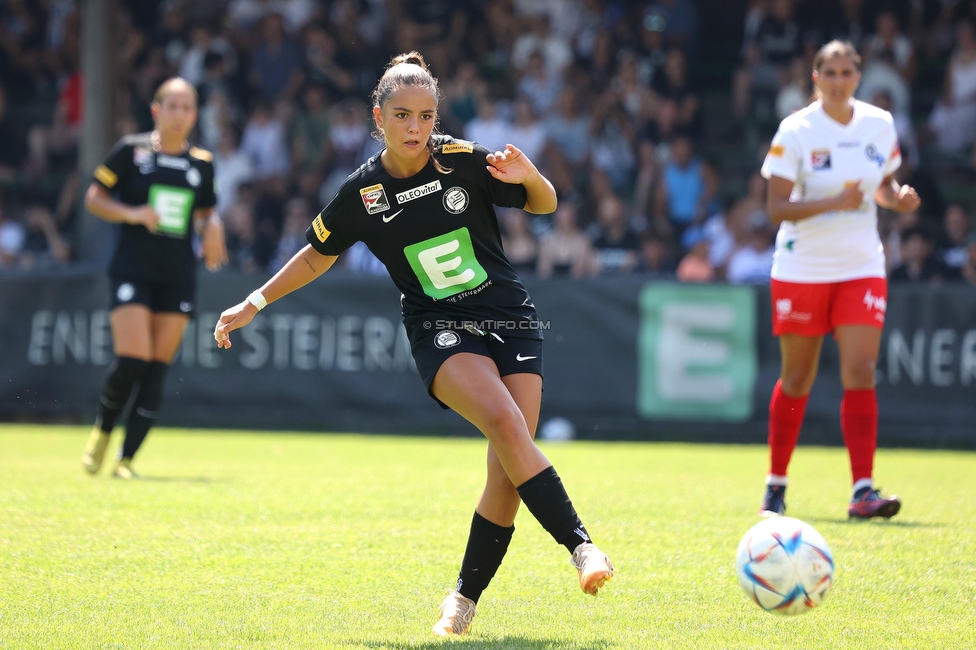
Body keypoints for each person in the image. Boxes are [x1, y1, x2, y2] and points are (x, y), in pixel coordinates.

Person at [211, 52, 614, 637]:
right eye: (402, 115)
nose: (416, 128)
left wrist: (530, 175)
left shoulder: (463, 160)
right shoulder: (363, 192)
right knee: (506, 424)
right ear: (379, 117)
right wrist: (255, 301)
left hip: (510, 318)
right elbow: (317, 255)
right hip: (437, 328)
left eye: (426, 116)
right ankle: (582, 548)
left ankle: (463, 599)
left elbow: (545, 203)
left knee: (508, 469)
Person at [758, 41, 920, 520]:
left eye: (847, 71)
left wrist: (898, 199)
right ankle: (776, 483)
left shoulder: (879, 123)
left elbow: (883, 187)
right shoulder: (797, 129)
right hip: (802, 267)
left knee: (860, 370)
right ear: (815, 78)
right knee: (798, 378)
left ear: (858, 76)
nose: (838, 79)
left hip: (861, 264)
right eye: (829, 71)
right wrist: (835, 202)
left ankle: (863, 489)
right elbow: (775, 208)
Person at [80, 78, 228, 479]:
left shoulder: (202, 162)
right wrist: (133, 213)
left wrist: (212, 223)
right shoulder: (132, 151)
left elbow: (204, 213)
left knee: (157, 367)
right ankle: (103, 430)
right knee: (133, 358)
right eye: (172, 106)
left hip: (177, 274)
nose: (179, 114)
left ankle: (126, 461)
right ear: (156, 110)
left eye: (187, 107)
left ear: (195, 115)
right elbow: (94, 197)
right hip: (132, 268)